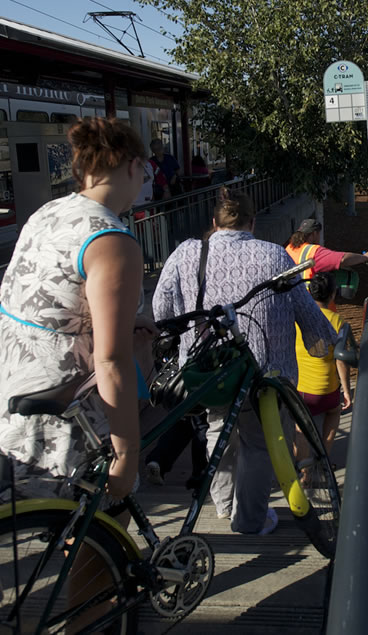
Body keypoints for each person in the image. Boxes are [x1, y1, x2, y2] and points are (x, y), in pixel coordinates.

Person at [0, 116, 152, 504]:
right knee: (100, 513)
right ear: (133, 165)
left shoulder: (49, 212)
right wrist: (127, 456)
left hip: (5, 382)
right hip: (59, 400)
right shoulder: (112, 241)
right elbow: (111, 361)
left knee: (41, 511)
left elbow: (54, 302)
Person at [152, 188, 336, 535]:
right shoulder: (274, 256)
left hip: (208, 369)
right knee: (257, 443)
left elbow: (161, 310)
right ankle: (249, 519)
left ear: (214, 223)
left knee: (218, 428)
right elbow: (305, 310)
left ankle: (223, 505)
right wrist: (326, 342)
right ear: (252, 222)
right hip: (262, 370)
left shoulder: (187, 253)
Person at [294, 273, 353, 472]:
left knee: (300, 427)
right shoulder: (338, 321)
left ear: (309, 293)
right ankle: (324, 461)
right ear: (333, 295)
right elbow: (341, 360)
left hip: (303, 391)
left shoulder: (297, 319)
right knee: (334, 412)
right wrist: (346, 390)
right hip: (328, 389)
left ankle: (304, 473)